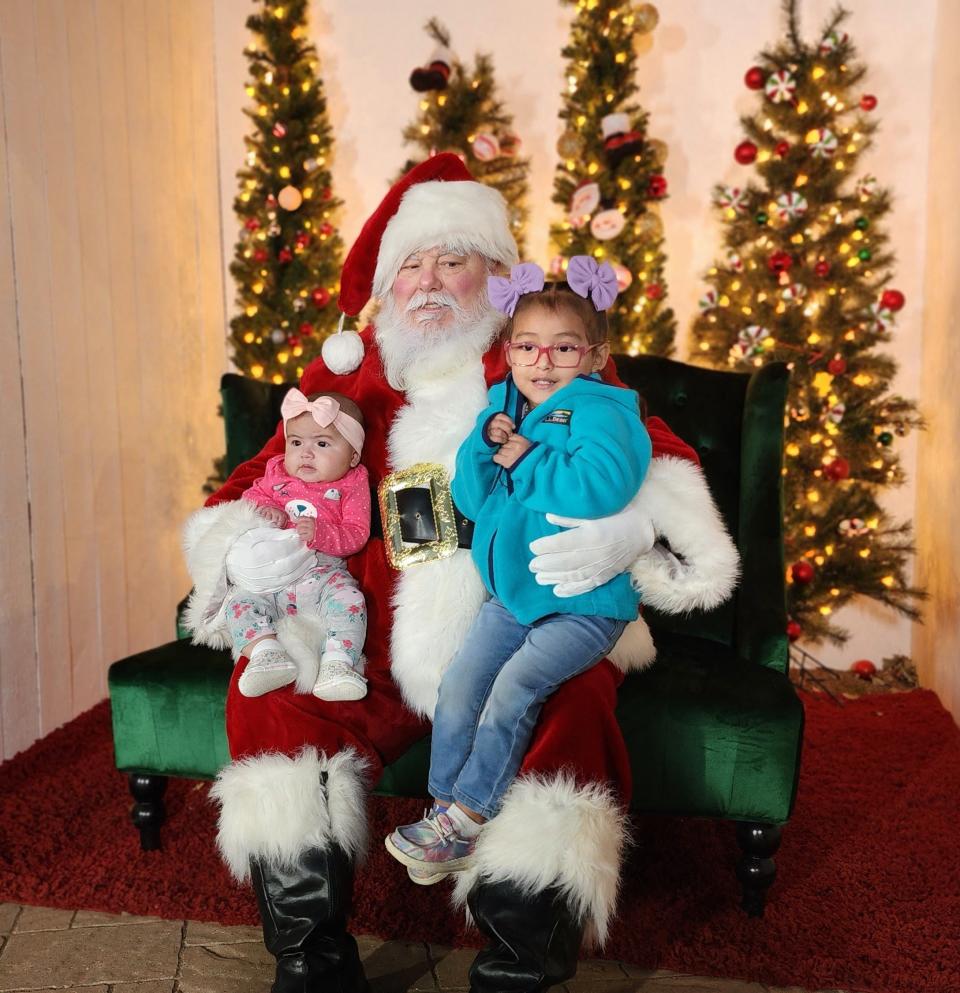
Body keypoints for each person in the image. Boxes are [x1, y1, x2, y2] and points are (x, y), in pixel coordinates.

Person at [197, 154, 740, 993]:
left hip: (519, 612)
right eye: (411, 263)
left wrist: (633, 528)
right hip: (364, 631)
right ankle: (312, 961)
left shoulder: (537, 357)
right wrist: (240, 542)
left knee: (574, 702)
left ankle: (515, 968)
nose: (428, 280)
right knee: (269, 696)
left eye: (452, 259)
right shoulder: (347, 373)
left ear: (496, 273)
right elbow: (258, 474)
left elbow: (649, 447)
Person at [386, 257, 652, 875]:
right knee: (458, 687)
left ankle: (472, 815)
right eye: (528, 347)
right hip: (513, 599)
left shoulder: (604, 410)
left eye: (563, 349)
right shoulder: (506, 408)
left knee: (514, 689)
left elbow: (602, 487)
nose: (544, 362)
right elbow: (476, 503)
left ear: (593, 354)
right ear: (508, 352)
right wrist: (484, 447)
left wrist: (527, 456)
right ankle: (447, 806)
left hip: (582, 604)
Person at [183, 389, 371, 702]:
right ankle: (265, 653)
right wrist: (264, 511)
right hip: (271, 582)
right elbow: (251, 498)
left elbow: (357, 533)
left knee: (350, 601)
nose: (305, 453)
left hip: (321, 571)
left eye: (322, 444)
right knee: (239, 603)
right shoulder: (277, 472)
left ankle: (338, 664)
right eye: (296, 442)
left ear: (353, 455)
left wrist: (321, 532)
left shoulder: (352, 483)